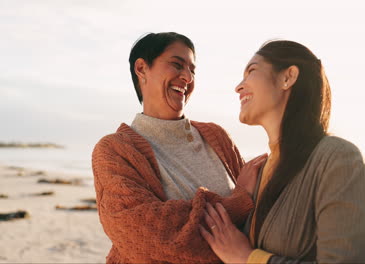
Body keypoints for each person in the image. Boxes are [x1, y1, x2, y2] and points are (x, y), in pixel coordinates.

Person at [200, 40, 365, 263]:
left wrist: (248, 258)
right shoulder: (261, 171)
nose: (239, 86)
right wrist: (241, 195)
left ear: (288, 78)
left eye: (252, 71)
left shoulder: (339, 159)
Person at [91, 32, 266, 264]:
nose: (187, 77)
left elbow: (256, 220)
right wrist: (238, 203)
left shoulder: (217, 137)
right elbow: (151, 237)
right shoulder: (114, 151)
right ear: (142, 68)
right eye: (177, 64)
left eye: (192, 70)